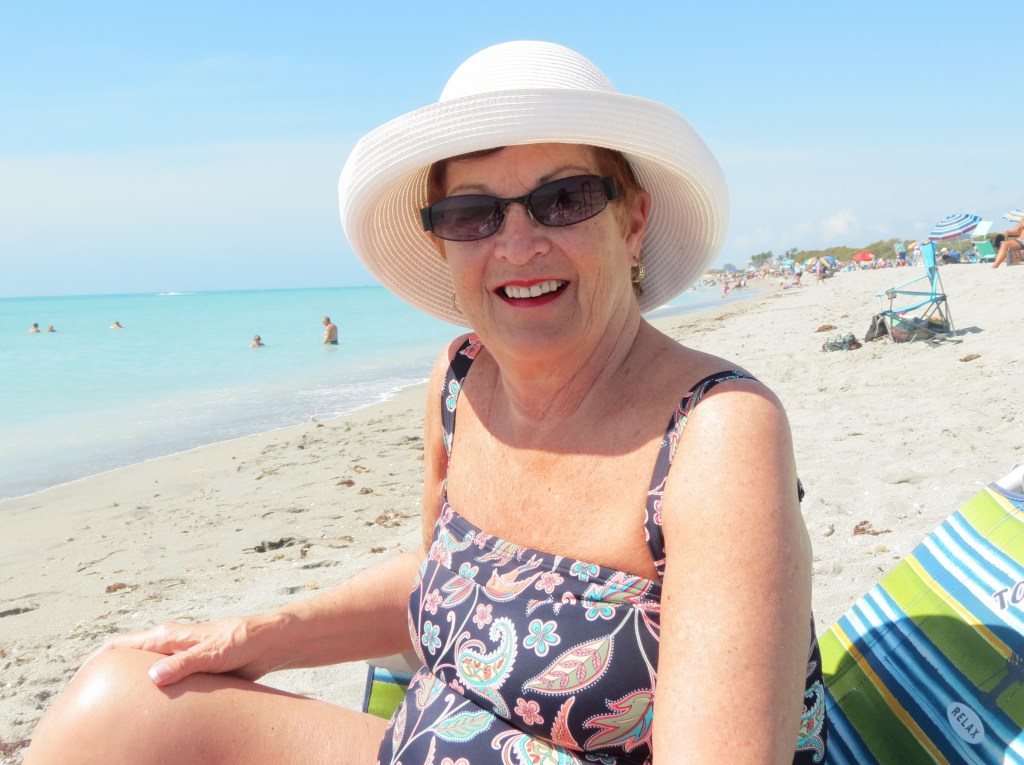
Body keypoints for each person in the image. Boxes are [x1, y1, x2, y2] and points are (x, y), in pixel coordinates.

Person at [24, 41, 825, 764]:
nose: (518, 243)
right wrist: (261, 635)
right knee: (119, 698)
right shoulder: (462, 378)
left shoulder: (715, 434)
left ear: (633, 219)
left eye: (564, 198)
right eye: (473, 213)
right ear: (443, 240)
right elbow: (448, 579)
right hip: (424, 742)